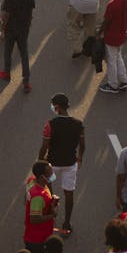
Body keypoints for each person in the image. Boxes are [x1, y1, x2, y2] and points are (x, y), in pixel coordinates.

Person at [39, 94, 85, 235]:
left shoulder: (50, 124)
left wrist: (40, 161)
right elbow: (83, 145)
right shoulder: (78, 124)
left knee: (48, 188)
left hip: (53, 164)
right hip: (70, 164)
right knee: (69, 192)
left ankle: (50, 208)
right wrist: (80, 158)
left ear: (57, 107)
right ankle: (67, 222)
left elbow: (45, 146)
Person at [0, 0, 36, 91]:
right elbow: (30, 13)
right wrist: (28, 26)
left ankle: (6, 73)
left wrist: (3, 29)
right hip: (23, 28)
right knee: (24, 54)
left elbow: (6, 15)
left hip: (11, 28)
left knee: (7, 52)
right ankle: (26, 81)